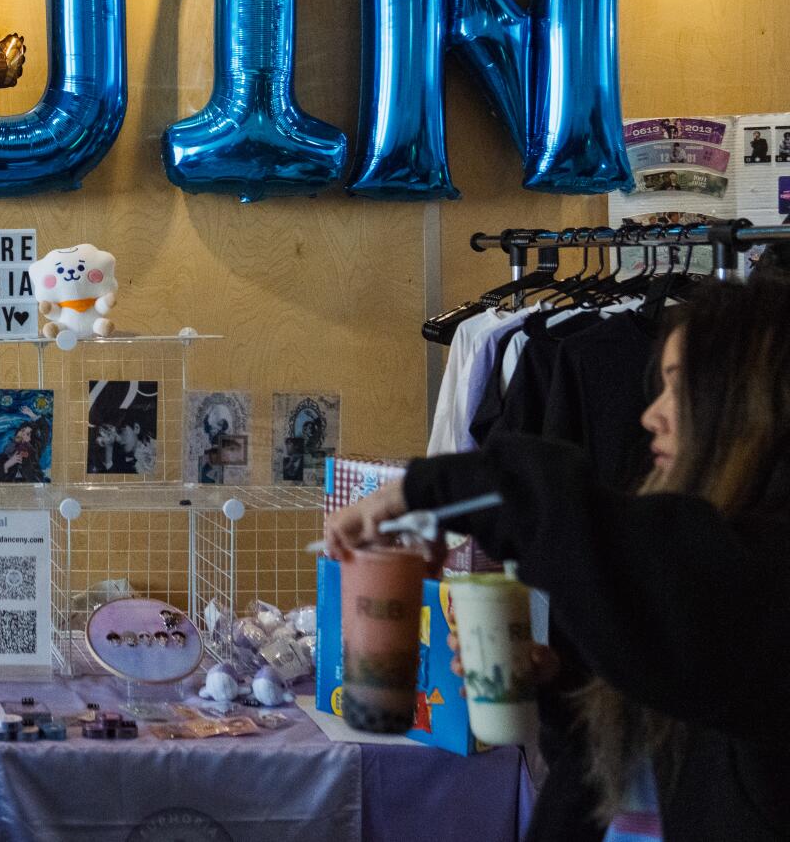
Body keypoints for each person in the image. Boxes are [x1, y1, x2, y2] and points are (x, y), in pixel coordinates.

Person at [325, 277, 790, 842]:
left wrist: (433, 490)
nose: (652, 416)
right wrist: (562, 686)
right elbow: (623, 788)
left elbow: (595, 527)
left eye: (679, 388)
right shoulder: (709, 583)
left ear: (744, 406)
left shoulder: (756, 581)